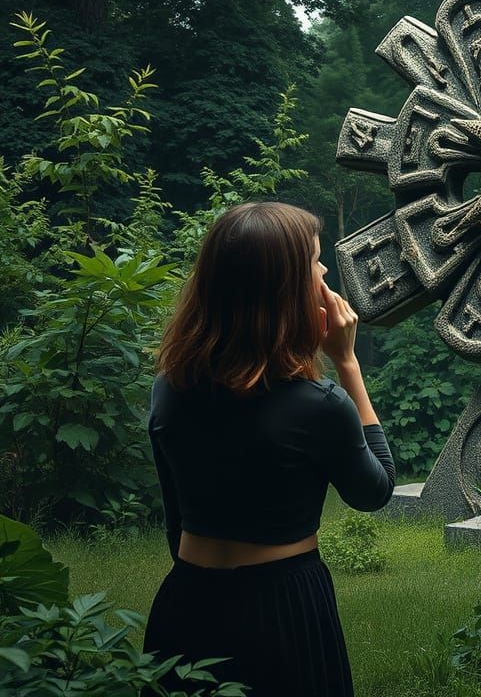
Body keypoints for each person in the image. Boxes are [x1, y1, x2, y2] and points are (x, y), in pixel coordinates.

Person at [142, 202, 395, 697]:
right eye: (314, 263)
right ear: (283, 291)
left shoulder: (169, 388)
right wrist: (347, 364)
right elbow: (375, 490)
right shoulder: (319, 406)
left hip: (185, 600)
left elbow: (176, 517)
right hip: (285, 605)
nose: (324, 273)